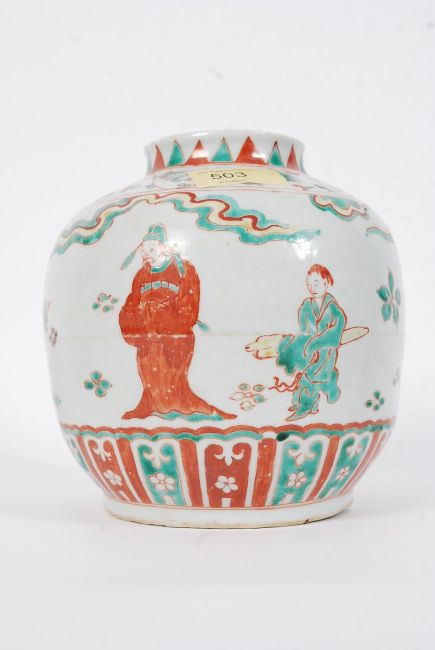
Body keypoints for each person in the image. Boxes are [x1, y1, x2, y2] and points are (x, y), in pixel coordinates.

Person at [119, 224, 235, 421]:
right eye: (143, 250)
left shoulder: (184, 270)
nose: (146, 254)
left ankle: (177, 408)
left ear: (164, 247)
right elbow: (132, 302)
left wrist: (164, 318)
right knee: (149, 375)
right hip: (148, 336)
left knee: (171, 377)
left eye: (151, 249)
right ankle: (152, 406)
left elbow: (189, 305)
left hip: (175, 335)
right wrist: (136, 319)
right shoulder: (141, 275)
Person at [246, 264, 349, 421]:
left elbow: (336, 332)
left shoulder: (333, 309)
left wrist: (315, 343)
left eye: (316, 283)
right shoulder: (306, 306)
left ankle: (306, 405)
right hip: (308, 351)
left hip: (326, 353)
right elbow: (304, 332)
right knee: (305, 374)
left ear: (326, 283)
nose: (312, 288)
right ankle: (307, 403)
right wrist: (303, 346)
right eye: (309, 284)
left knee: (315, 376)